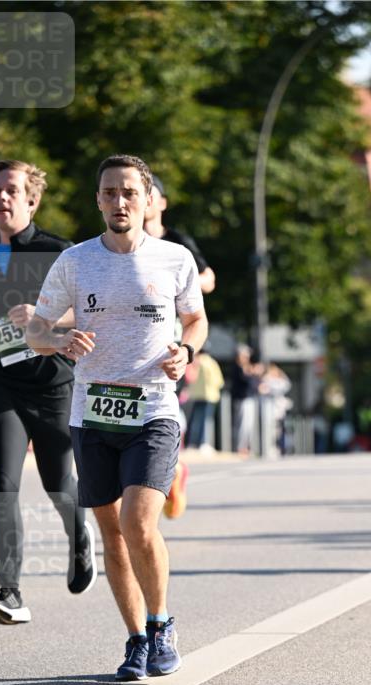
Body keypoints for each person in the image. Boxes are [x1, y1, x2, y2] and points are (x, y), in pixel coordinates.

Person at [26, 154, 208, 681]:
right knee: (110, 531)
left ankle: (160, 623)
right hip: (92, 412)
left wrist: (187, 351)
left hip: (153, 408)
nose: (119, 201)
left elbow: (195, 319)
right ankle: (134, 640)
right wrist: (58, 338)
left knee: (137, 522)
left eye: (129, 192)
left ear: (148, 198)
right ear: (98, 199)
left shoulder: (174, 259)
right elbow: (36, 330)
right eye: (109, 192)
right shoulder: (76, 261)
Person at [0, 159, 97, 624]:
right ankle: (10, 593)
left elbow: (91, 311)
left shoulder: (61, 252)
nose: (3, 198)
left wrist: (47, 315)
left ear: (32, 201)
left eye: (12, 191)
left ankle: (79, 537)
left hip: (53, 384)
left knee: (59, 484)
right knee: (2, 484)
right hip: (4, 384)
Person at [144, 174, 216, 514]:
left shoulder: (178, 243)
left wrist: (177, 281)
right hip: (137, 340)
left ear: (162, 203)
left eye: (150, 194)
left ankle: (170, 468)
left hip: (174, 341)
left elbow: (209, 279)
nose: (142, 201)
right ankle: (168, 469)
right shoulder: (122, 244)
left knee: (167, 406)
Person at [186, 348, 225, 449]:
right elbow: (219, 381)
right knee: (205, 421)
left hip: (196, 395)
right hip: (209, 395)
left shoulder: (194, 362)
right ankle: (202, 443)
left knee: (195, 420)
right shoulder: (211, 363)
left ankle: (192, 442)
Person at [231, 344, 260, 455]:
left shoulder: (246, 367)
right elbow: (246, 381)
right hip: (242, 399)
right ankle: (240, 447)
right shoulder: (238, 368)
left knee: (248, 425)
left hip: (249, 398)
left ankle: (246, 447)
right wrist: (252, 373)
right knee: (242, 425)